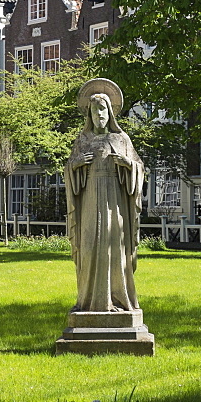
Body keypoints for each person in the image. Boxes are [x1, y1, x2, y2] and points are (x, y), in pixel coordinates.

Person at [65, 79, 144, 312]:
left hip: (114, 202)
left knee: (114, 246)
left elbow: (140, 168)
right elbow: (68, 170)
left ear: (110, 113)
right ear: (88, 113)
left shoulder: (121, 139)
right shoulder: (83, 140)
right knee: (89, 245)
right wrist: (76, 164)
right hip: (90, 199)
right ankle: (90, 299)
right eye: (94, 109)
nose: (99, 114)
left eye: (103, 109)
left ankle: (118, 297)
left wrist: (128, 164)